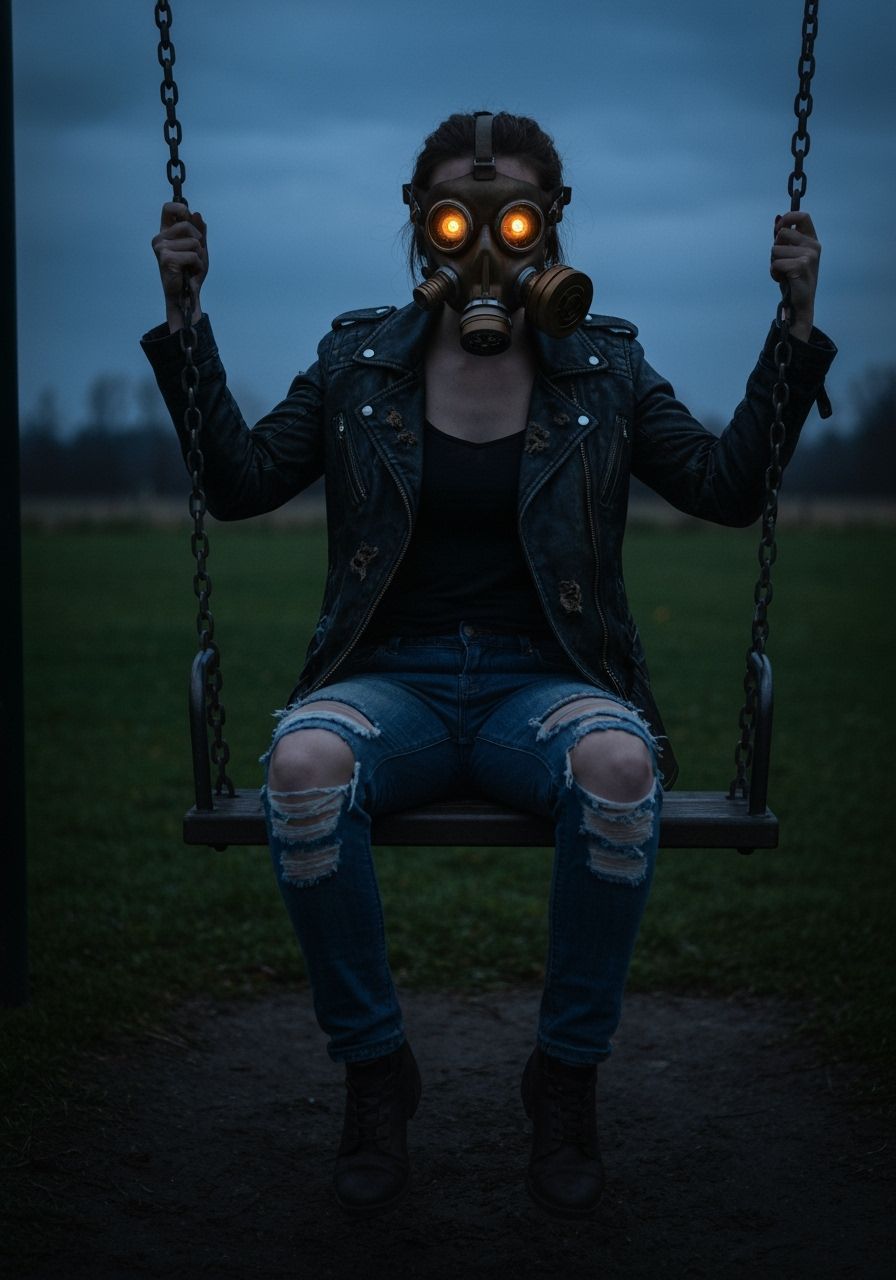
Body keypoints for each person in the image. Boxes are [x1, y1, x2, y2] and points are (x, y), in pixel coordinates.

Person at [142, 110, 834, 1220]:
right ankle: (376, 1073)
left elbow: (725, 486)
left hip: (544, 683)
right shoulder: (359, 361)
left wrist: (792, 325)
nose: (483, 246)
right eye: (455, 220)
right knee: (303, 765)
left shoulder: (603, 367)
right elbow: (239, 482)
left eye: (511, 218)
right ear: (419, 224)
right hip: (392, 679)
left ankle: (564, 1080)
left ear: (551, 222)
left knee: (618, 768)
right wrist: (185, 315)